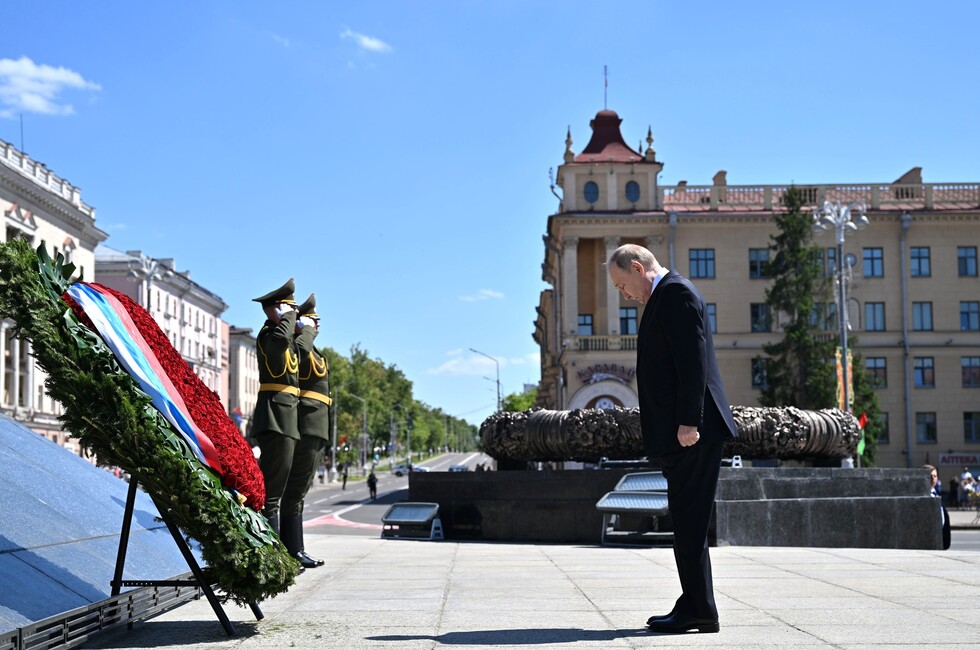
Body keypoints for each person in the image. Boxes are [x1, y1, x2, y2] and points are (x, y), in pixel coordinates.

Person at [607, 243, 737, 634]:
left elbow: (693, 362)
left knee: (690, 521)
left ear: (636, 267)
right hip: (686, 432)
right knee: (686, 520)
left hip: (693, 432)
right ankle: (695, 603)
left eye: (621, 284)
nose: (622, 294)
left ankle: (700, 609)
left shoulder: (675, 293)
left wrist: (688, 422)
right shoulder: (664, 296)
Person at [278, 293, 330, 569]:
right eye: (313, 320)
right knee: (295, 489)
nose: (317, 325)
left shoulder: (312, 348)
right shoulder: (302, 346)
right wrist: (303, 329)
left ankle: (295, 549)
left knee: (300, 488)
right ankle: (293, 550)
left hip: (316, 422)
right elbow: (299, 351)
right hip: (307, 421)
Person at [250, 278, 301, 539]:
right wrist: (288, 317)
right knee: (271, 491)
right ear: (277, 309)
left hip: (287, 417)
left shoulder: (285, 338)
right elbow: (281, 339)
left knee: (278, 489)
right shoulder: (270, 336)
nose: (295, 315)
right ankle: (272, 550)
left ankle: (284, 548)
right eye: (290, 309)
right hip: (274, 416)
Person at [925, 464, 951, 550]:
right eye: (930, 476)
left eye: (935, 476)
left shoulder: (936, 495)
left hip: (941, 539)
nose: (933, 479)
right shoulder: (923, 496)